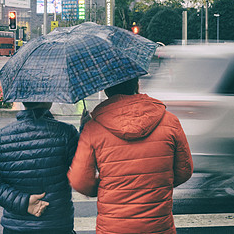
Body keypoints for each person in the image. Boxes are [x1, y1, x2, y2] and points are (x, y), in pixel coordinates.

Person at [67, 77, 193, 234]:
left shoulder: (93, 128)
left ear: (106, 90)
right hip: (159, 226)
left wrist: (111, 184)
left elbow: (81, 182)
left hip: (114, 228)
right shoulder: (170, 121)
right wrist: (155, 183)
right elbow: (184, 170)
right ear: (137, 85)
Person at [0, 102, 79, 234]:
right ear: (48, 99)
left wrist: (25, 202)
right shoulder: (66, 133)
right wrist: (84, 130)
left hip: (15, 226)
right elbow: (83, 170)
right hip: (57, 223)